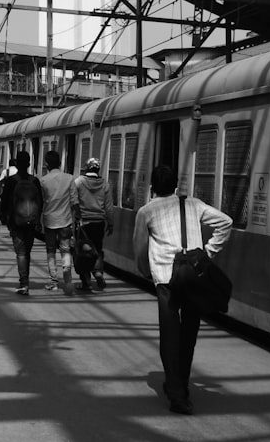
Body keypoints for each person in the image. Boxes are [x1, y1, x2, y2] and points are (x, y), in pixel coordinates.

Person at [133, 164, 232, 414]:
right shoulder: (194, 204)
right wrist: (208, 252)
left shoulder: (146, 212)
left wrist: (146, 271)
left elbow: (139, 248)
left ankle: (176, 394)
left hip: (166, 279)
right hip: (193, 277)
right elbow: (226, 222)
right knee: (189, 335)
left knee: (169, 335)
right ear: (176, 185)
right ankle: (183, 388)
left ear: (152, 187)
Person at [0, 151, 44, 296]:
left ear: (16, 164)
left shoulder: (11, 181)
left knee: (21, 253)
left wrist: (4, 217)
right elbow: (40, 202)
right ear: (29, 164)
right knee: (27, 252)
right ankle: (25, 279)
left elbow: (4, 201)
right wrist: (37, 218)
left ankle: (24, 283)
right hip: (31, 222)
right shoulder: (34, 181)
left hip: (16, 221)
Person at [39, 151, 79, 294]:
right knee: (66, 249)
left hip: (49, 220)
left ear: (47, 164)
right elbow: (74, 202)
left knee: (50, 250)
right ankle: (68, 281)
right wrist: (76, 219)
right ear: (60, 164)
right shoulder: (69, 179)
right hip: (65, 221)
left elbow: (41, 202)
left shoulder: (43, 181)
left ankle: (53, 281)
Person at [73, 157, 113, 291]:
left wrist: (75, 216)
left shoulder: (78, 182)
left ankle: (86, 282)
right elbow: (109, 207)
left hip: (84, 223)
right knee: (97, 249)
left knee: (83, 252)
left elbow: (73, 201)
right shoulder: (105, 184)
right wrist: (111, 223)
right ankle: (98, 272)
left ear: (86, 168)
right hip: (99, 223)